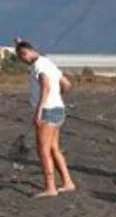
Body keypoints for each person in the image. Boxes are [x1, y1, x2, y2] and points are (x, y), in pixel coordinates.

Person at [14, 39, 75, 198]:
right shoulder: (48, 63)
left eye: (22, 58)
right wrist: (57, 96)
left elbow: (45, 87)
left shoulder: (39, 66)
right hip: (58, 109)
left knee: (43, 150)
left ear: (25, 54)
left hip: (47, 111)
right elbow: (67, 84)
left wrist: (39, 111)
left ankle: (50, 187)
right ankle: (67, 182)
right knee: (54, 148)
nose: (23, 62)